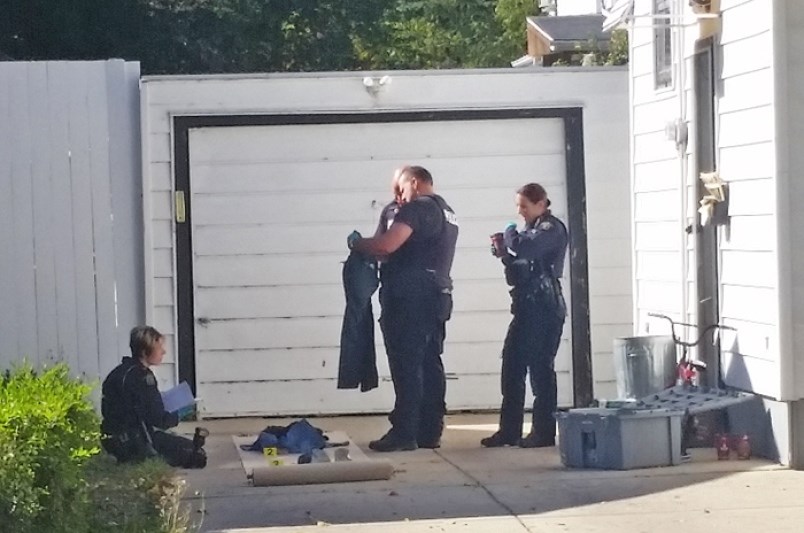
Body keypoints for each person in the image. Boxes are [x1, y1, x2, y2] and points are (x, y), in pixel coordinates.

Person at [348, 166, 459, 452]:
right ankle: (429, 431)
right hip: (437, 294)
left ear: (415, 182)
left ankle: (404, 432)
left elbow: (386, 246)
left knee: (406, 364)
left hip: (410, 296)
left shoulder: (417, 209)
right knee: (429, 362)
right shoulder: (445, 211)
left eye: (400, 189)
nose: (397, 196)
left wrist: (358, 244)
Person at [481, 183, 568, 449]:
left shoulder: (550, 228)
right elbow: (519, 268)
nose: (520, 212)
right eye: (518, 206)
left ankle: (543, 432)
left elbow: (527, 248)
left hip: (545, 307)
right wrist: (505, 255)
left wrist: (508, 234)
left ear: (541, 203)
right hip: (525, 308)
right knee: (512, 367)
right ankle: (509, 431)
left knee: (541, 369)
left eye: (524, 206)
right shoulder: (530, 231)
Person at [101, 325, 208, 468]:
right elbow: (159, 420)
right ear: (145, 352)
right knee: (198, 455)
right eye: (159, 348)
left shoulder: (119, 372)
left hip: (114, 440)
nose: (163, 351)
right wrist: (182, 413)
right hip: (137, 443)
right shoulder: (143, 378)